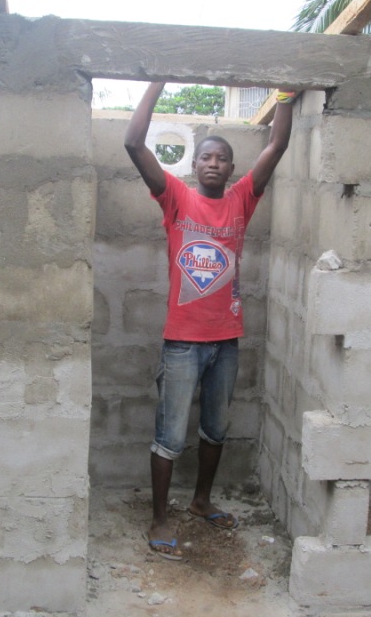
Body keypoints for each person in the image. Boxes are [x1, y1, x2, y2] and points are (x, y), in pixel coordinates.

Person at [124, 82, 299, 560]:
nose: (214, 163)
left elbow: (278, 145)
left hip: (227, 340)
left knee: (216, 429)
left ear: (232, 168)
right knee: (170, 434)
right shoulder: (176, 198)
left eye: (222, 158)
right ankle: (160, 518)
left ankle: (201, 501)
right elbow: (133, 144)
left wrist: (284, 96)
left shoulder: (243, 199)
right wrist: (157, 81)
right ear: (194, 165)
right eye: (206, 157)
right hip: (182, 340)